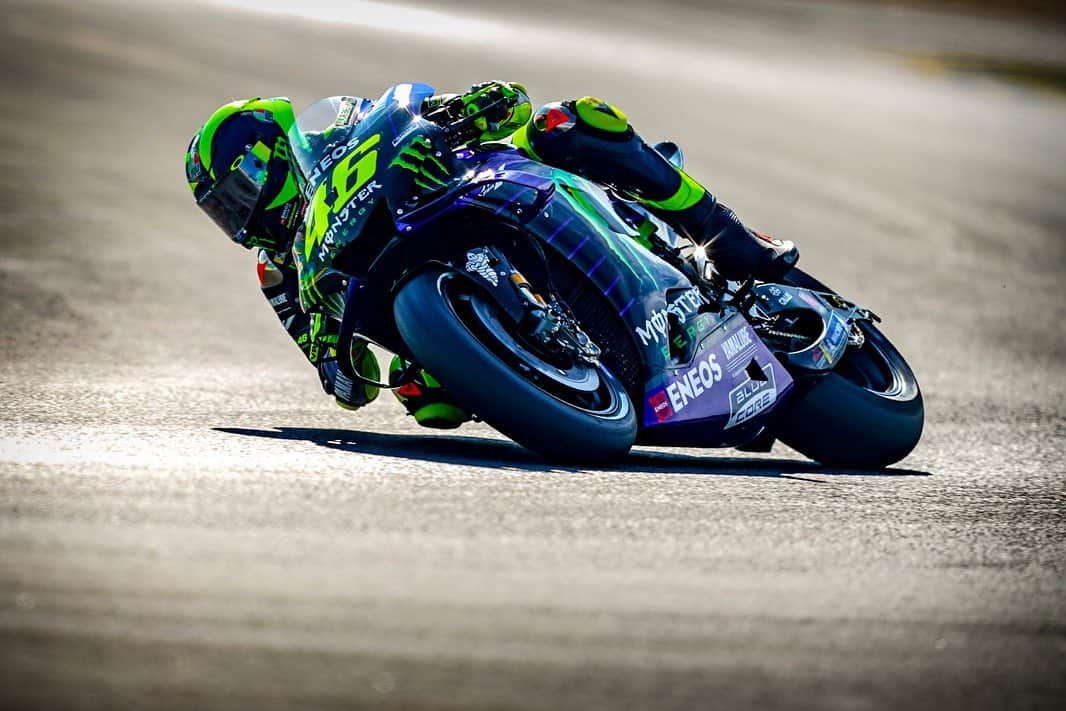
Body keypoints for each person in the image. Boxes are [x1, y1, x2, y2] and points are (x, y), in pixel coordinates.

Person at [184, 82, 798, 428]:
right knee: (428, 400)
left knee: (569, 121)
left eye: (238, 196)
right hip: (424, 293)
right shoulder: (278, 274)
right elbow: (345, 385)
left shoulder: (344, 133)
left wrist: (467, 109)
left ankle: (731, 236)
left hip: (481, 188)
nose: (239, 219)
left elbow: (507, 102)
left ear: (270, 156)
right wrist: (336, 365)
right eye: (224, 214)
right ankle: (563, 380)